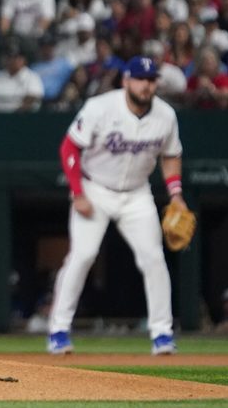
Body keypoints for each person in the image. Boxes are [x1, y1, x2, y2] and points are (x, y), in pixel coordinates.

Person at [47, 56, 186, 356]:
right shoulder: (100, 107)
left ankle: (162, 334)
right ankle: (59, 329)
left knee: (153, 258)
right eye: (140, 79)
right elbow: (69, 147)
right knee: (83, 256)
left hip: (137, 194)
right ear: (126, 80)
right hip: (94, 188)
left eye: (151, 80)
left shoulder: (166, 116)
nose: (146, 85)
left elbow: (172, 154)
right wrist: (78, 192)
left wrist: (176, 193)